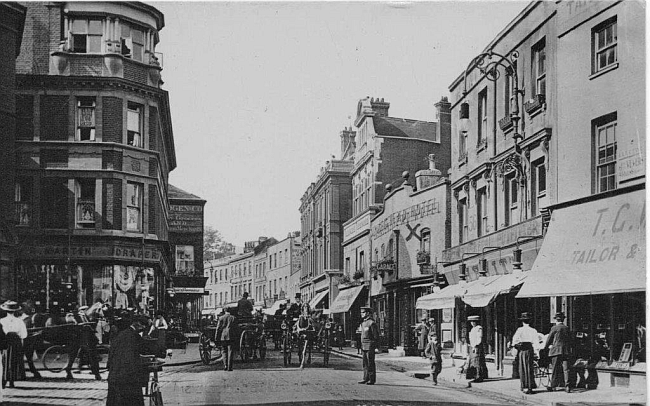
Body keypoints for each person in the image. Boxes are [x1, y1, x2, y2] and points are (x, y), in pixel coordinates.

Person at [106, 315, 148, 406]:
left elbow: (110, 356)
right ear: (137, 323)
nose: (144, 328)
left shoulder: (120, 335)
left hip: (115, 376)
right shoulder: (134, 336)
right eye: (143, 325)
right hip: (128, 377)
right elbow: (145, 349)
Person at [0, 300, 27, 388]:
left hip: (5, 342)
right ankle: (12, 380)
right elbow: (23, 334)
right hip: (16, 342)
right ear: (15, 311)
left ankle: (3, 380)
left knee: (4, 361)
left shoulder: (2, 321)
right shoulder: (19, 321)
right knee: (14, 361)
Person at [544, 312, 572, 393]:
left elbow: (549, 339)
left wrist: (545, 348)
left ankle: (553, 386)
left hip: (556, 350)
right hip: (565, 351)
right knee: (566, 369)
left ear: (556, 319)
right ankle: (567, 386)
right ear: (563, 319)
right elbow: (570, 340)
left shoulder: (554, 328)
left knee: (555, 368)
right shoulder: (566, 328)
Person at [512, 312, 538, 394]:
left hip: (522, 350)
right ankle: (530, 386)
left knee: (522, 368)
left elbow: (514, 341)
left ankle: (524, 386)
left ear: (522, 322)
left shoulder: (520, 330)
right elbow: (536, 342)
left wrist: (516, 345)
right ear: (529, 321)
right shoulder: (533, 330)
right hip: (530, 349)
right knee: (529, 368)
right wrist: (536, 352)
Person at [357, 306, 379, 385]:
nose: (361, 314)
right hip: (363, 345)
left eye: (363, 312)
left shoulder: (371, 323)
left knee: (370, 363)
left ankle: (371, 379)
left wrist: (376, 346)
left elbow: (375, 336)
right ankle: (365, 378)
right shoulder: (363, 323)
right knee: (365, 363)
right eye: (361, 312)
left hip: (370, 345)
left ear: (367, 313)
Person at [465, 315, 488, 385]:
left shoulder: (479, 328)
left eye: (474, 321)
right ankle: (474, 376)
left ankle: (479, 376)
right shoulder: (473, 329)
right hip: (472, 346)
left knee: (477, 361)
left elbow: (479, 338)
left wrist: (475, 346)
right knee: (473, 361)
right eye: (471, 322)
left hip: (477, 346)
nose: (472, 323)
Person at [215, 307, 237, 371]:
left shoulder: (221, 318)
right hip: (231, 336)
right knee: (230, 351)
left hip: (223, 336)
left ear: (224, 311)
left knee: (224, 351)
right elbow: (236, 329)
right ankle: (230, 367)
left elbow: (218, 328)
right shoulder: (233, 318)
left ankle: (225, 365)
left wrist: (216, 338)